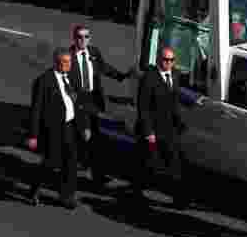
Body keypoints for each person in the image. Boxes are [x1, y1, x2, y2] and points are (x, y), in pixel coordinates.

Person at [68, 24, 131, 189]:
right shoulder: (68, 56)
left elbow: (104, 68)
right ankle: (70, 168)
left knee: (96, 138)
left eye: (86, 37)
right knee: (85, 136)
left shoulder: (94, 53)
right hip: (78, 101)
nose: (83, 40)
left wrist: (122, 76)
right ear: (74, 39)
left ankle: (97, 175)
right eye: (79, 37)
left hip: (93, 101)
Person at [26, 47, 84, 209]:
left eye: (69, 62)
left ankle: (67, 196)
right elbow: (36, 110)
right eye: (64, 62)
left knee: (71, 161)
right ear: (56, 62)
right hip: (53, 128)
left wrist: (83, 125)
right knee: (50, 162)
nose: (68, 65)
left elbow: (78, 102)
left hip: (69, 126)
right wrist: (33, 135)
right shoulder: (44, 81)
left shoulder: (71, 77)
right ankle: (34, 188)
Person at [131, 46, 189, 208]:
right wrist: (148, 131)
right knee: (146, 163)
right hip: (152, 129)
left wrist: (180, 123)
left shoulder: (175, 75)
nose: (168, 63)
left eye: (171, 60)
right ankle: (136, 191)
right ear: (159, 60)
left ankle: (179, 198)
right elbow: (143, 107)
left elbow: (175, 99)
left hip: (169, 128)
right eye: (165, 60)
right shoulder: (149, 78)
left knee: (175, 163)